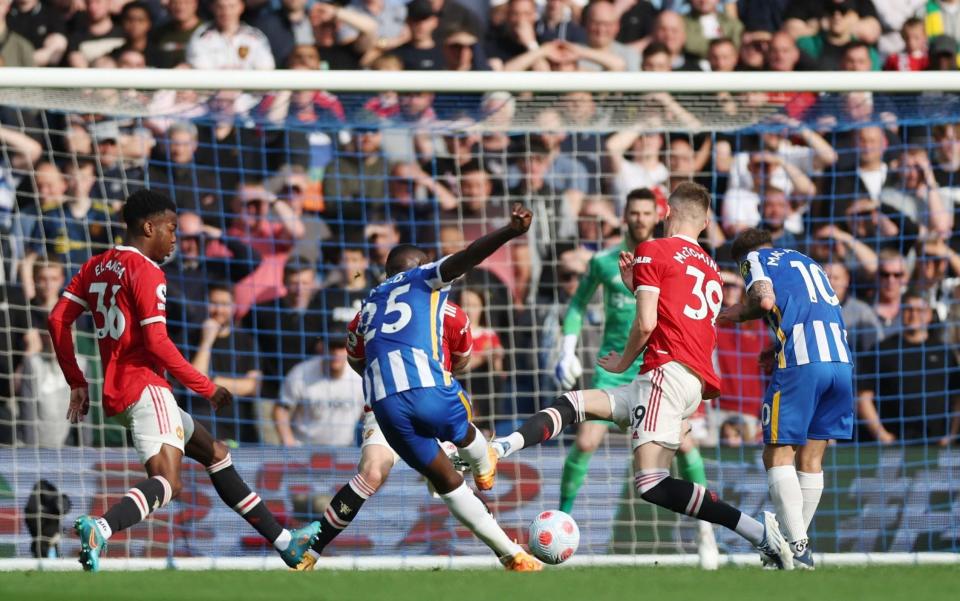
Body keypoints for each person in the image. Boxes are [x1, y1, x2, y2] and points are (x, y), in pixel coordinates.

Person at [493, 183, 793, 570]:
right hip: (685, 380)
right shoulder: (711, 269)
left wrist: (621, 362)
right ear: (705, 223)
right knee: (574, 404)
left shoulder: (652, 250)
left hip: (662, 375)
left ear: (666, 215)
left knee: (651, 483)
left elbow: (648, 322)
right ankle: (502, 447)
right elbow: (677, 316)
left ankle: (758, 532)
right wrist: (637, 287)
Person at [46, 190, 319, 571]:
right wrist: (206, 387)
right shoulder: (147, 271)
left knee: (215, 453)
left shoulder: (96, 265)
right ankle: (102, 527)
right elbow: (157, 342)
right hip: (146, 387)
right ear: (148, 226)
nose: (175, 238)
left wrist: (77, 380)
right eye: (171, 228)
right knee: (168, 483)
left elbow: (57, 319)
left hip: (120, 392)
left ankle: (286, 542)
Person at [342, 204, 543, 571]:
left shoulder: (367, 307)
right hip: (430, 393)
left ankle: (509, 552)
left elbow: (355, 360)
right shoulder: (442, 302)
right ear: (422, 267)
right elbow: (463, 360)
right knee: (460, 436)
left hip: (384, 405)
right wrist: (511, 231)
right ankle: (482, 462)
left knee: (432, 480)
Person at [551, 187, 720, 567]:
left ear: (660, 214)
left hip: (660, 365)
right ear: (625, 216)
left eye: (647, 212)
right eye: (635, 212)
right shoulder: (604, 261)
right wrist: (567, 349)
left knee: (685, 447)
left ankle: (705, 532)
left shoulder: (669, 257)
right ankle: (564, 518)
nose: (641, 218)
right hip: (615, 365)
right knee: (586, 440)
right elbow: (577, 306)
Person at [295, 294, 472, 566]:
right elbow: (356, 360)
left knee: (451, 479)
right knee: (372, 472)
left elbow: (460, 362)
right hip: (386, 404)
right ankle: (312, 551)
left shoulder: (450, 313)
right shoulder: (368, 312)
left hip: (432, 400)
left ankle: (507, 549)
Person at [719, 228, 856, 570]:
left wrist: (732, 313)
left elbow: (763, 299)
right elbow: (810, 310)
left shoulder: (754, 259)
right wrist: (774, 343)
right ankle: (794, 552)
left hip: (801, 364)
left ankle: (795, 546)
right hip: (840, 362)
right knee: (811, 461)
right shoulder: (807, 261)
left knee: (777, 453)